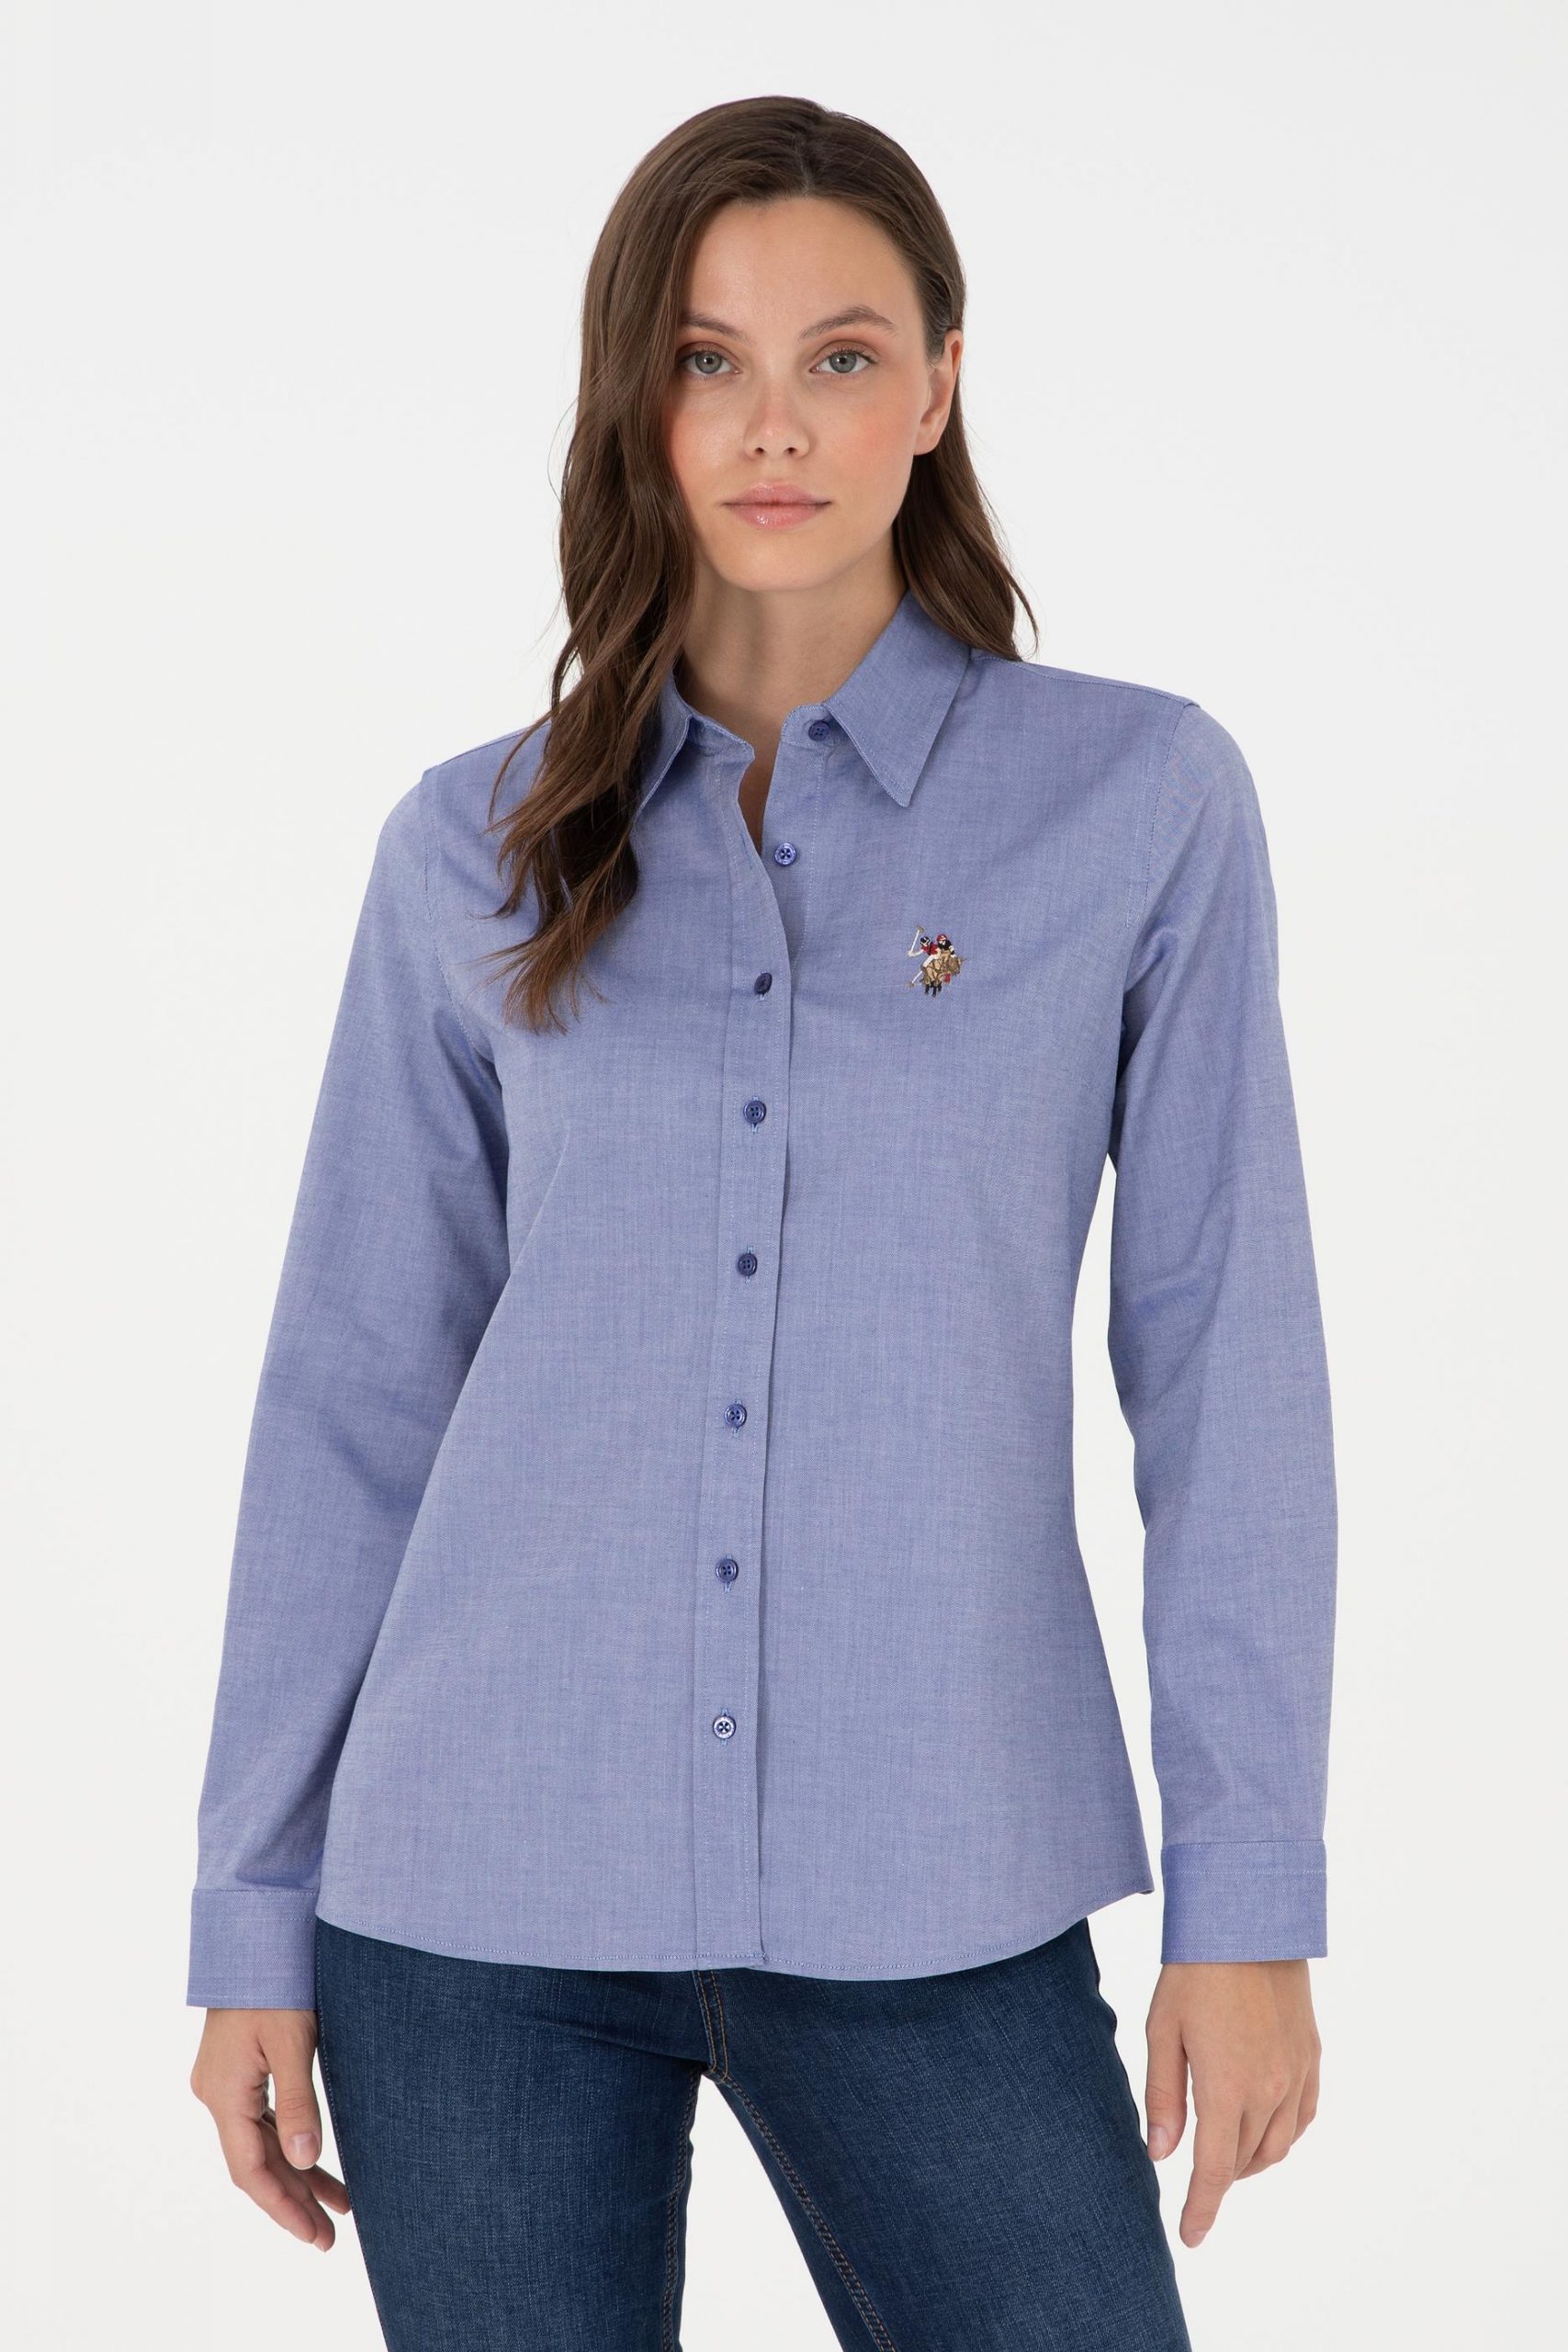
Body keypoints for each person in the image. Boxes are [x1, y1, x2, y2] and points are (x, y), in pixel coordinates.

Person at [186, 94, 1337, 2352]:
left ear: (937, 386)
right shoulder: (468, 845)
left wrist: (1248, 1896)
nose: (772, 422)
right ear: (637, 398)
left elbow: (1228, 1370)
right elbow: (353, 1395)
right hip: (473, 1899)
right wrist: (252, 1914)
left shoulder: (1135, 802)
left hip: (940, 1882)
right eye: (706, 360)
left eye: (837, 355)